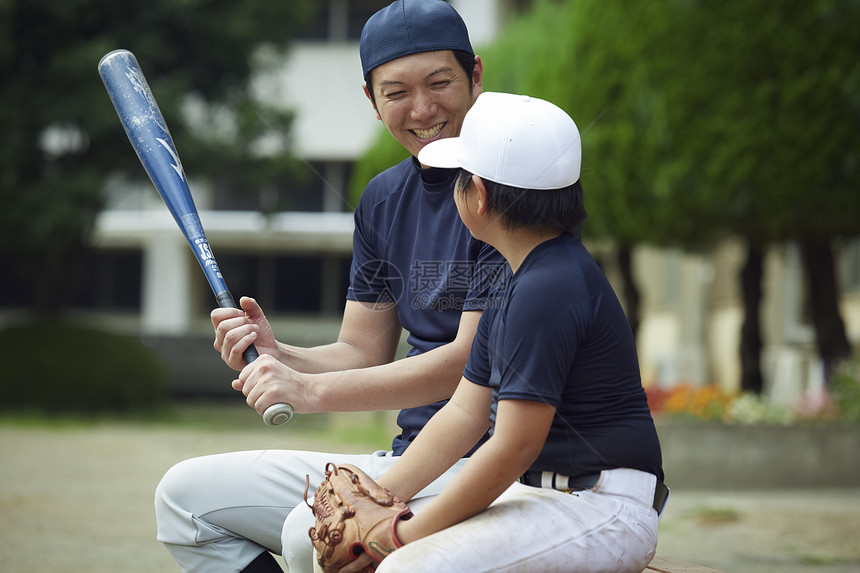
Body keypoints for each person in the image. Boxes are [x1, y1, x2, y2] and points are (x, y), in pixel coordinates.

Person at [154, 2, 507, 572]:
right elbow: (361, 352)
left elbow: (468, 362)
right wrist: (280, 355)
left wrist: (306, 392)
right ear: (371, 101)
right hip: (409, 456)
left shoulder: (512, 185)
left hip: (492, 465)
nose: (422, 108)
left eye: (440, 83)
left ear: (476, 77)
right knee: (184, 499)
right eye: (396, 92)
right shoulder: (382, 200)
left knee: (308, 532)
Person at [337, 92, 668, 573]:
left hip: (603, 507)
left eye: (458, 180)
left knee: (407, 567)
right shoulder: (517, 276)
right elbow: (465, 414)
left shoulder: (547, 286)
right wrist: (378, 498)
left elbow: (513, 446)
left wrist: (397, 534)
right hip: (542, 496)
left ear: (480, 196)